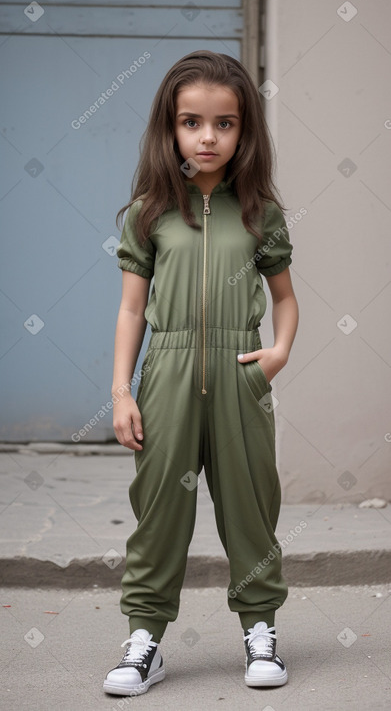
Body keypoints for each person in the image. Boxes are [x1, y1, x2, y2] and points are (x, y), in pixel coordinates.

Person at [103, 49, 299, 697]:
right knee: (158, 507)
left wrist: (276, 353)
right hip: (168, 371)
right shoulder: (150, 210)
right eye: (191, 122)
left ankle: (260, 630)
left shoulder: (258, 211)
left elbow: (285, 299)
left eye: (224, 123)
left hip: (240, 370)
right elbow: (133, 309)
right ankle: (144, 640)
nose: (207, 136)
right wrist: (121, 392)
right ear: (171, 127)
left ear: (244, 131)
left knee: (250, 505)